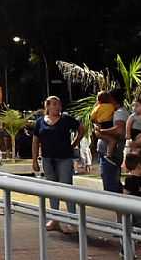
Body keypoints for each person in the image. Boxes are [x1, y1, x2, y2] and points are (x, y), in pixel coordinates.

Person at [32, 95, 84, 232]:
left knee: (66, 187)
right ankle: (55, 218)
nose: (56, 107)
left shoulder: (65, 119)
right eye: (53, 104)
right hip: (47, 158)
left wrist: (74, 145)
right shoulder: (40, 122)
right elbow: (35, 141)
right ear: (47, 106)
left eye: (58, 104)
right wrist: (34, 160)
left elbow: (81, 129)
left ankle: (72, 220)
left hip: (64, 158)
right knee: (52, 188)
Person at [95, 88, 128, 193]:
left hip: (111, 156)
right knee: (109, 182)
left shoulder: (120, 112)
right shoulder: (112, 112)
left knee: (111, 186)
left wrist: (102, 131)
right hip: (105, 153)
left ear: (113, 99)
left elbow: (119, 130)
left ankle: (118, 208)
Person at [90, 91, 116, 159]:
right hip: (109, 125)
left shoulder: (98, 107)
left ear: (99, 100)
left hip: (101, 126)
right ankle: (109, 154)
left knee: (110, 140)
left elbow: (92, 117)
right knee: (112, 141)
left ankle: (108, 155)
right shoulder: (112, 106)